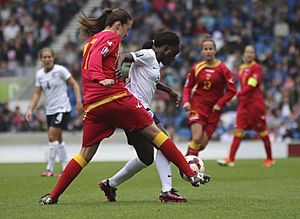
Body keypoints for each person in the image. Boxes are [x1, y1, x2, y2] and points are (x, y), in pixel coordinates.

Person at [39, 8, 209, 205]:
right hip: (115, 98)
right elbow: (95, 61)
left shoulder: (91, 41)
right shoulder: (111, 38)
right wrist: (101, 78)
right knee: (157, 134)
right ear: (118, 24)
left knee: (85, 154)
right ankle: (189, 174)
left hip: (94, 105)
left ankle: (53, 195)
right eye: (127, 28)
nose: (127, 33)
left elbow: (90, 62)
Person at [99, 31, 191, 203]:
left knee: (146, 157)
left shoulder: (154, 62)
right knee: (164, 142)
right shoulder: (148, 54)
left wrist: (169, 91)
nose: (174, 58)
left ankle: (110, 184)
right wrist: (118, 68)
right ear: (167, 48)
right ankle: (167, 190)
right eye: (174, 53)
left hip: (137, 109)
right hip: (136, 107)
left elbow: (152, 82)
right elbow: (125, 56)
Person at [26, 47, 82, 177]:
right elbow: (37, 94)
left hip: (62, 108)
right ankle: (65, 169)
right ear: (41, 59)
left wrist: (79, 101)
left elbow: (74, 84)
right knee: (58, 138)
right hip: (50, 110)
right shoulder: (39, 74)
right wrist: (30, 109)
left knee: (52, 136)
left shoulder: (61, 71)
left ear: (53, 57)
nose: (47, 59)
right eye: (44, 57)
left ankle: (49, 168)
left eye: (49, 57)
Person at [217, 45, 276, 167]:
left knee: (262, 132)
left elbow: (251, 85)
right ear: (244, 54)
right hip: (243, 105)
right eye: (247, 52)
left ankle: (270, 158)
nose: (249, 54)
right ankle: (230, 159)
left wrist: (237, 95)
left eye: (251, 52)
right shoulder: (242, 68)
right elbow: (243, 86)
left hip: (255, 105)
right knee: (238, 131)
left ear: (254, 55)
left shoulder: (257, 68)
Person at [183, 36, 237, 157]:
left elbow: (232, 90)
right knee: (196, 138)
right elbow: (187, 87)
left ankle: (187, 161)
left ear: (215, 51)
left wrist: (220, 103)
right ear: (202, 51)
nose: (208, 51)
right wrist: (186, 101)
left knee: (201, 145)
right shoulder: (196, 68)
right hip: (198, 106)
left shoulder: (223, 69)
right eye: (205, 49)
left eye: (210, 49)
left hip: (214, 110)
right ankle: (189, 169)